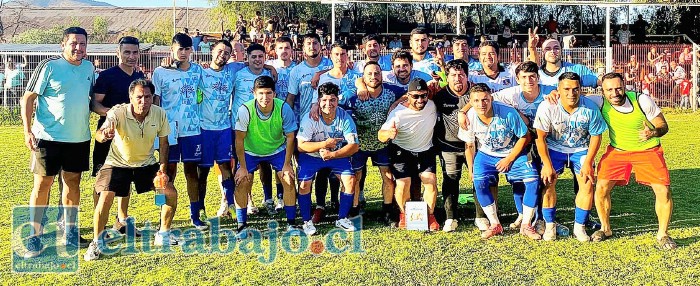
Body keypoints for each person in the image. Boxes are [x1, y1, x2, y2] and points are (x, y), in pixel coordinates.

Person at [21, 27, 94, 257]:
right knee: (43, 185)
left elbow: (88, 100)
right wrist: (27, 130)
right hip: (47, 138)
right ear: (63, 45)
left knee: (73, 185)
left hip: (78, 138)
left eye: (82, 43)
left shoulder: (89, 68)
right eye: (73, 43)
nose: (78, 48)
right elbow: (27, 98)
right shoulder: (49, 66)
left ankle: (69, 232)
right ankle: (34, 236)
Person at [581, 73, 674, 249]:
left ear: (624, 86)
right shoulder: (599, 102)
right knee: (601, 187)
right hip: (618, 151)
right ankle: (605, 228)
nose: (614, 93)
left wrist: (653, 132)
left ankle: (663, 234)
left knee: (663, 190)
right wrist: (553, 93)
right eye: (609, 90)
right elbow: (572, 95)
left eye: (618, 88)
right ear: (603, 91)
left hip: (648, 151)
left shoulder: (642, 100)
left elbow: (663, 126)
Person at [84, 79, 171, 261]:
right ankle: (97, 242)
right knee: (105, 196)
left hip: (146, 164)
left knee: (168, 192)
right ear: (131, 97)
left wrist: (162, 171)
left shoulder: (159, 114)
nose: (143, 101)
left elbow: (164, 145)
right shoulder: (118, 111)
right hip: (117, 163)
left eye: (147, 97)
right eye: (139, 97)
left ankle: (163, 233)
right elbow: (100, 133)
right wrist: (104, 135)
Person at [459, 83, 541, 240]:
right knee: (479, 182)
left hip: (512, 153)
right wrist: (471, 169)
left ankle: (526, 224)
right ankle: (495, 224)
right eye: (476, 101)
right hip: (486, 154)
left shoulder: (507, 113)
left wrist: (509, 159)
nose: (481, 104)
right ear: (471, 101)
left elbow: (525, 136)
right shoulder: (469, 117)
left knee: (532, 180)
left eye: (485, 100)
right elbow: (469, 145)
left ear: (491, 98)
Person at [533, 72, 607, 242]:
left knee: (587, 183)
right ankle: (550, 225)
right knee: (548, 182)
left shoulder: (590, 107)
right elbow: (540, 138)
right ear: (558, 89)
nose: (571, 93)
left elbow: (596, 136)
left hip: (580, 149)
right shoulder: (547, 107)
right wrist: (546, 164)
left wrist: (588, 162)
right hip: (554, 148)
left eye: (575, 89)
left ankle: (579, 227)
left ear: (581, 89)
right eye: (566, 89)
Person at [90, 36, 146, 236]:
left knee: (126, 178)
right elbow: (94, 104)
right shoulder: (107, 76)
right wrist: (112, 115)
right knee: (102, 181)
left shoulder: (139, 78)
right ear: (118, 53)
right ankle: (101, 225)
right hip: (108, 135)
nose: (131, 56)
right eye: (127, 52)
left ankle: (122, 221)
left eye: (135, 52)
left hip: (130, 139)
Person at [152, 33, 205, 236]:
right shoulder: (160, 72)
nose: (183, 53)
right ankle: (162, 214)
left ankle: (195, 215)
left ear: (191, 50)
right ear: (172, 49)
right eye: (180, 49)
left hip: (192, 129)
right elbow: (156, 101)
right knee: (166, 173)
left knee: (192, 173)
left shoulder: (198, 71)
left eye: (187, 49)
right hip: (168, 130)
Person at [234, 76, 297, 236]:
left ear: (274, 94)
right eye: (261, 93)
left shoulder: (283, 108)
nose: (265, 97)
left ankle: (291, 224)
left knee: (288, 179)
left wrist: (287, 163)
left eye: (269, 93)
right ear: (254, 93)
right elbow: (239, 140)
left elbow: (290, 137)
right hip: (250, 151)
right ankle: (241, 226)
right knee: (241, 181)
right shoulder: (245, 110)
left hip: (277, 149)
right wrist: (242, 167)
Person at [340, 61, 401, 226]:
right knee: (355, 178)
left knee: (388, 177)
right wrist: (317, 105)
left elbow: (408, 94)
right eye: (369, 74)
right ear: (363, 77)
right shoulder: (352, 94)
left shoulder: (391, 91)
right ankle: (354, 210)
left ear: (381, 75)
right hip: (359, 144)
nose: (373, 77)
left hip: (382, 143)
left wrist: (395, 104)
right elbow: (332, 103)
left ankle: (388, 210)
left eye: (376, 73)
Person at [378, 78, 440, 231]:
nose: (420, 100)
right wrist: (388, 133)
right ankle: (404, 215)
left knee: (430, 180)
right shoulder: (398, 113)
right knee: (403, 183)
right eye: (415, 96)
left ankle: (430, 216)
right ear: (408, 95)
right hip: (402, 150)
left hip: (425, 150)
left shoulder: (432, 105)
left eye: (423, 95)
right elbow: (380, 134)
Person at [297, 82, 359, 234]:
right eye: (324, 100)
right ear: (318, 101)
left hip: (336, 155)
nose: (328, 104)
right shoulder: (310, 117)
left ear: (337, 100)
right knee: (304, 184)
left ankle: (342, 218)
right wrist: (323, 144)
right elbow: (300, 145)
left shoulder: (344, 117)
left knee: (350, 180)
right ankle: (306, 221)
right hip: (312, 155)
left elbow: (354, 145)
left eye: (332, 100)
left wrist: (333, 154)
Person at [196, 40, 244, 224]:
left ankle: (230, 204)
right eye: (219, 51)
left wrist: (268, 67)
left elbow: (253, 63)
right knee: (203, 171)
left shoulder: (233, 71)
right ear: (212, 51)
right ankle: (200, 208)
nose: (222, 55)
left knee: (226, 167)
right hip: (205, 129)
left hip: (224, 128)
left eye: (226, 53)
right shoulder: (201, 72)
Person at [432, 59, 476, 232]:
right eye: (453, 75)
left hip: (473, 145)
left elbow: (487, 97)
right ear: (447, 77)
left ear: (467, 76)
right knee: (450, 180)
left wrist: (463, 110)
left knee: (478, 179)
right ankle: (451, 217)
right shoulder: (439, 96)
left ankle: (481, 216)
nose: (457, 79)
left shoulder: (475, 93)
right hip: (448, 146)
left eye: (461, 75)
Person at [286, 33, 334, 123]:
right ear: (303, 48)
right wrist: (287, 121)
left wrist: (320, 74)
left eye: (315, 43)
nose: (312, 46)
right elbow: (290, 98)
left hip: (330, 121)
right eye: (308, 43)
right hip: (306, 121)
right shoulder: (297, 71)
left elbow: (340, 72)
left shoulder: (331, 65)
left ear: (321, 46)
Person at [528, 34, 600, 88]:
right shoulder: (535, 74)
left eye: (556, 48)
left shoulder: (577, 70)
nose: (552, 51)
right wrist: (532, 48)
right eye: (548, 49)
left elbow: (599, 80)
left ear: (561, 50)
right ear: (543, 52)